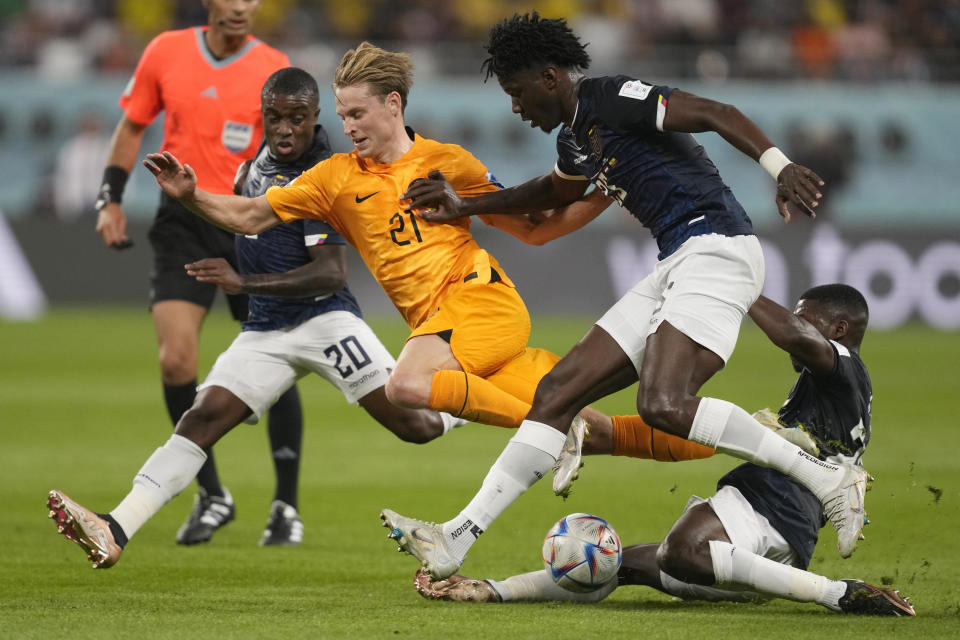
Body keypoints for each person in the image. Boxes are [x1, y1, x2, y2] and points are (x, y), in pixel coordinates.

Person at [387, 12, 870, 579]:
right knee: (556, 392)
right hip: (676, 260)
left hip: (718, 247)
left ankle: (827, 478)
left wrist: (779, 165)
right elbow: (551, 191)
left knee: (662, 404)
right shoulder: (575, 136)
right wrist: (467, 205)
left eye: (518, 94)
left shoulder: (612, 97)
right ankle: (457, 538)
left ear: (549, 77)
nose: (517, 108)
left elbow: (716, 113)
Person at [139, 43, 714, 472]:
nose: (347, 127)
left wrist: (602, 191)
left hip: (479, 303)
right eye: (341, 116)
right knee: (599, 426)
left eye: (356, 114)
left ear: (392, 105)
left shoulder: (449, 163)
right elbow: (249, 215)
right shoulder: (333, 179)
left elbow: (536, 231)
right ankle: (748, 439)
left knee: (407, 386)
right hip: (450, 331)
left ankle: (551, 433)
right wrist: (192, 196)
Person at [45, 65, 473, 567]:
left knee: (415, 426)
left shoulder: (329, 178)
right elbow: (244, 224)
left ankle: (479, 397)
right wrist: (191, 199)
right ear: (263, 116)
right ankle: (115, 527)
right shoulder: (253, 167)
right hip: (265, 329)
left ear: (316, 117)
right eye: (276, 117)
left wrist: (243, 283)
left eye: (298, 118)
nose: (286, 129)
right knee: (200, 419)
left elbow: (331, 273)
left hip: (324, 321)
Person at [414, 285, 916, 618]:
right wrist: (492, 590)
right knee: (614, 562)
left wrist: (735, 284)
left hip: (773, 503)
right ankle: (494, 589)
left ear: (838, 331)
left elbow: (796, 337)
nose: (795, 330)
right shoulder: (829, 392)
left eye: (806, 320)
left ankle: (836, 593)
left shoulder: (844, 366)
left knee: (682, 550)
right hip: (787, 535)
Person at [91, 0, 295, 545]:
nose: (240, 6)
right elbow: (132, 126)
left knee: (280, 355)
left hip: (246, 219)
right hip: (181, 219)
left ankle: (286, 504)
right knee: (175, 357)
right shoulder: (166, 50)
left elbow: (289, 151)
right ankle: (212, 493)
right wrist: (109, 198)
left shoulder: (273, 67)